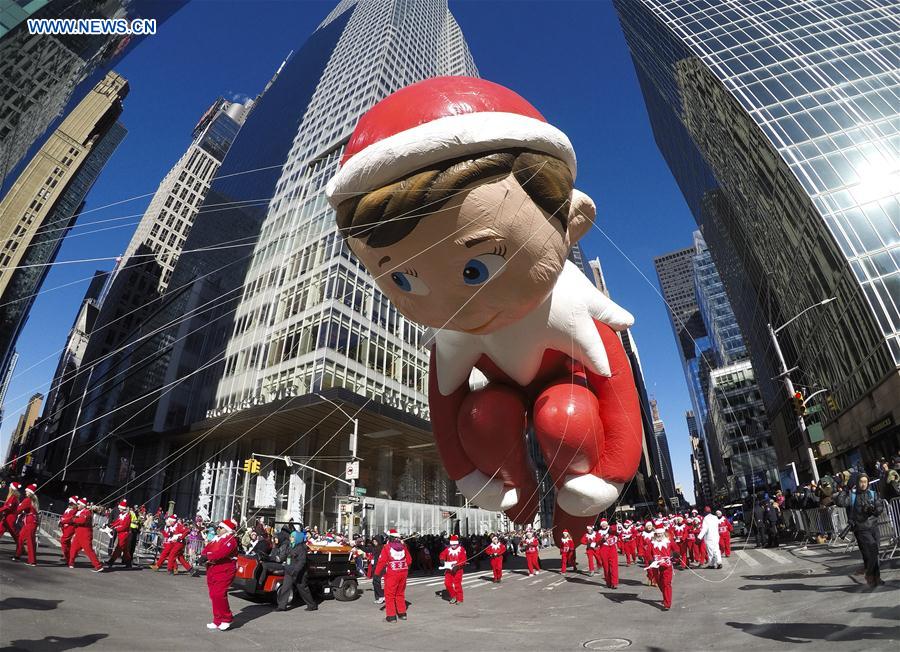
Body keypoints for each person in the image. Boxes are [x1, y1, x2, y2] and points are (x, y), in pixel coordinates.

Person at [835, 473, 885, 588]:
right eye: (861, 481)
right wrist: (845, 489)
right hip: (861, 529)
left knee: (875, 552)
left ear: (868, 483)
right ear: (857, 482)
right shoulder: (852, 495)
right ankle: (870, 576)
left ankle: (876, 577)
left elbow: (880, 508)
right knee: (871, 551)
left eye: (865, 482)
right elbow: (840, 502)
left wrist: (874, 509)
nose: (863, 484)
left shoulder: (873, 494)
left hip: (873, 527)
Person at [201, 518, 239, 630]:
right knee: (213, 595)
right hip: (213, 569)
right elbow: (207, 549)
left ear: (227, 530)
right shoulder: (216, 539)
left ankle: (227, 618)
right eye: (219, 527)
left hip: (224, 570)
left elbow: (221, 553)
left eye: (221, 527)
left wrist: (207, 556)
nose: (218, 528)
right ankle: (217, 619)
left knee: (219, 594)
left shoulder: (231, 540)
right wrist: (203, 556)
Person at [374, 529, 411, 622]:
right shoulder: (404, 547)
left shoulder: (386, 547)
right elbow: (409, 560)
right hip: (403, 572)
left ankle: (391, 616)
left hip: (392, 573)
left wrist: (376, 573)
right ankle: (402, 613)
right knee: (400, 593)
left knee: (389, 594)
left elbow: (381, 561)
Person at [276, 531, 317, 612]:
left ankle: (312, 605)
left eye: (292, 537)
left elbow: (302, 562)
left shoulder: (301, 548)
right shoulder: (290, 546)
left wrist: (295, 571)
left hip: (298, 573)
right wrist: (279, 558)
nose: (290, 538)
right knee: (285, 588)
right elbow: (286, 556)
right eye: (291, 537)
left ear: (297, 538)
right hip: (289, 571)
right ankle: (282, 606)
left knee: (302, 589)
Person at [646, 520, 675, 610]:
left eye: (661, 533)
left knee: (666, 583)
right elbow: (647, 553)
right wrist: (650, 559)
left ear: (663, 533)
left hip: (667, 565)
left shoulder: (668, 541)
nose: (659, 535)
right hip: (656, 566)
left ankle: (667, 603)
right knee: (660, 583)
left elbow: (676, 548)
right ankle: (666, 596)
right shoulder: (652, 542)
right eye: (658, 534)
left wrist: (676, 554)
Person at [68, 498, 104, 571]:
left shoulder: (86, 512)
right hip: (79, 534)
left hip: (85, 535)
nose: (77, 505)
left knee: (89, 551)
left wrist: (73, 520)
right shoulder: (80, 511)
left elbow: (82, 520)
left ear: (82, 505)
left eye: (78, 504)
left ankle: (98, 566)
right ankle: (70, 563)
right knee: (73, 548)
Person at [12, 484, 39, 565]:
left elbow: (19, 509)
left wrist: (20, 506)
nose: (25, 492)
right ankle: (17, 555)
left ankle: (32, 561)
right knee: (20, 538)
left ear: (30, 492)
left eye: (27, 491)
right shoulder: (30, 500)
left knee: (30, 542)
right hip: (29, 522)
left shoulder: (27, 500)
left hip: (30, 523)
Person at [439, 535, 467, 605]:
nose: (453, 546)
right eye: (452, 544)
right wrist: (442, 559)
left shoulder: (461, 549)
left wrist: (458, 566)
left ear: (457, 543)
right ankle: (453, 596)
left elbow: (463, 560)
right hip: (449, 569)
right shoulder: (448, 549)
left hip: (458, 569)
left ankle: (459, 599)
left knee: (457, 584)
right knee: (447, 583)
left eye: (454, 544)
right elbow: (442, 554)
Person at [106, 500, 133, 568]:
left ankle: (111, 561)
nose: (119, 509)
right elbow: (117, 522)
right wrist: (110, 525)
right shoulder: (121, 515)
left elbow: (124, 526)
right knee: (125, 550)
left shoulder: (127, 516)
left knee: (118, 548)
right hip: (121, 534)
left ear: (123, 508)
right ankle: (129, 563)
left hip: (125, 534)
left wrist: (115, 529)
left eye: (120, 508)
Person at [596, 519, 619, 588]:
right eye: (602, 524)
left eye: (605, 523)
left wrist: (610, 531)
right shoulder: (599, 532)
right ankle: (608, 582)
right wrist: (603, 539)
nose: (604, 525)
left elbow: (616, 531)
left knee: (614, 566)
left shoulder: (611, 528)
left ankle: (614, 583)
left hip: (612, 548)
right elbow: (597, 542)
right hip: (604, 549)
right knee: (606, 567)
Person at [59, 496, 78, 565]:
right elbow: (64, 516)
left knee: (63, 540)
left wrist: (63, 521)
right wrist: (61, 521)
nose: (69, 504)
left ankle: (67, 557)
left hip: (70, 527)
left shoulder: (75, 510)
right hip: (65, 527)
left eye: (71, 503)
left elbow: (71, 519)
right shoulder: (68, 509)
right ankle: (67, 556)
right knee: (67, 542)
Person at [371, 534, 386, 604]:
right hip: (375, 567)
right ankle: (378, 597)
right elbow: (366, 549)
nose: (374, 542)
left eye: (375, 541)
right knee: (375, 582)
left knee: (376, 581)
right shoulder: (374, 548)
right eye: (373, 541)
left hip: (381, 567)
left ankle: (382, 596)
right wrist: (358, 545)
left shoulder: (383, 548)